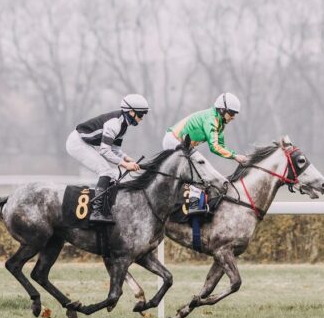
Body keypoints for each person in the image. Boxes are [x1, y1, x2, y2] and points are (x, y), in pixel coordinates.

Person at [66, 94, 149, 224]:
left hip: (85, 142)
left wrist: (127, 159)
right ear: (131, 112)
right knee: (106, 172)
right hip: (76, 143)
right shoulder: (114, 124)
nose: (142, 118)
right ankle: (96, 212)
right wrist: (124, 165)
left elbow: (115, 150)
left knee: (113, 174)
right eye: (141, 114)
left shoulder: (124, 125)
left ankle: (105, 209)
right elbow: (105, 150)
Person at [162, 92, 248, 215]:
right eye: (232, 113)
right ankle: (191, 209)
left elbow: (221, 146)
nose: (233, 117)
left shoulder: (220, 122)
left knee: (199, 169)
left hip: (183, 144)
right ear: (222, 110)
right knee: (198, 170)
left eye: (235, 114)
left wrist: (235, 155)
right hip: (173, 140)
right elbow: (214, 147)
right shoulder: (211, 119)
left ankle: (193, 207)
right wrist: (235, 156)